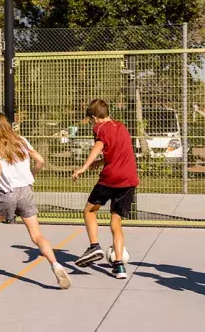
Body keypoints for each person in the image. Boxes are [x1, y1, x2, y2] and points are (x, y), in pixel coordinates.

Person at [0, 112, 72, 289]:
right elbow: (40, 160)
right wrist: (31, 177)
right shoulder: (21, 140)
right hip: (26, 192)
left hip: (6, 194)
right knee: (36, 235)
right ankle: (56, 264)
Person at [72, 99, 138, 279]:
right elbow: (118, 151)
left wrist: (84, 167)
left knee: (89, 211)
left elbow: (98, 146)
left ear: (94, 117)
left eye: (91, 120)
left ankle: (94, 246)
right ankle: (119, 266)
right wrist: (100, 162)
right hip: (129, 179)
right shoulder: (121, 126)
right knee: (116, 222)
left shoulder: (100, 129)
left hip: (111, 178)